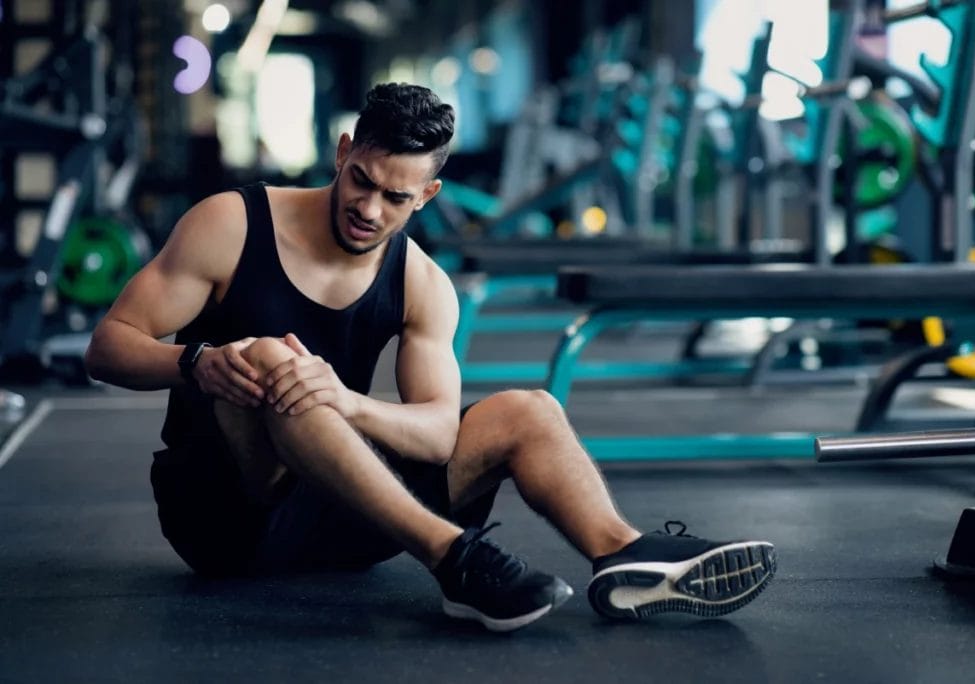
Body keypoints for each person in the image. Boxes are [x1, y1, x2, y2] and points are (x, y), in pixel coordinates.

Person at [85, 83, 776, 632]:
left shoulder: (421, 282)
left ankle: (626, 559)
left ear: (429, 195)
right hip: (229, 521)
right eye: (361, 180)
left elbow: (441, 432)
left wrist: (348, 400)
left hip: (352, 516)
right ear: (343, 150)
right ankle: (457, 560)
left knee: (528, 410)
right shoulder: (232, 224)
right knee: (273, 361)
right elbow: (106, 345)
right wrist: (195, 361)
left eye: (396, 197)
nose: (369, 209)